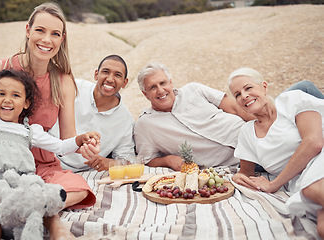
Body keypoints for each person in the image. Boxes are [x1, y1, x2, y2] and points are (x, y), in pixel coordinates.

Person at [0, 2, 94, 239]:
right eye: (40, 30)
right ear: (28, 30)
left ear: (62, 39)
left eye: (55, 34)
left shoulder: (63, 82)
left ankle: (11, 212)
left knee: (79, 188)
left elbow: (67, 141)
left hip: (34, 165)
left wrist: (86, 146)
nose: (46, 39)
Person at [0, 69, 100, 239]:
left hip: (24, 185)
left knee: (39, 203)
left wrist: (80, 139)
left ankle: (57, 231)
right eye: (1, 93)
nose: (7, 99)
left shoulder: (30, 131)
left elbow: (60, 147)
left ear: (26, 103)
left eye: (16, 95)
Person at [228, 67, 324, 238]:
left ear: (264, 87)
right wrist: (236, 177)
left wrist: (274, 184)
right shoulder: (247, 132)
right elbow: (245, 172)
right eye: (237, 94)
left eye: (248, 88)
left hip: (319, 160)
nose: (244, 95)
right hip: (299, 184)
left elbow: (314, 142)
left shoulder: (291, 101)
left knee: (312, 189)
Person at [133, 63, 255, 171]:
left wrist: (266, 126)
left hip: (255, 140)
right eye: (152, 87)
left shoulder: (194, 89)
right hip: (234, 165)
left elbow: (235, 108)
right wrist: (168, 160)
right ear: (145, 94)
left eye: (163, 83)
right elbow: (147, 160)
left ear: (170, 82)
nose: (160, 90)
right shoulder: (145, 124)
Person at [49, 54, 135, 172]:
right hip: (48, 159)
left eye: (117, 75)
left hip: (84, 172)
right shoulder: (73, 88)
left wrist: (110, 163)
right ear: (96, 74)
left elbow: (127, 159)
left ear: (125, 83)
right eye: (105, 72)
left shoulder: (126, 121)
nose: (110, 79)